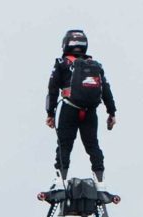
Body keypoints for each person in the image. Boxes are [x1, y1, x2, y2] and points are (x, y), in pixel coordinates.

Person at [45, 29, 116, 191]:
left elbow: (52, 89)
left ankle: (60, 181)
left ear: (66, 44)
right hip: (90, 111)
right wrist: (111, 113)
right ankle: (100, 182)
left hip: (69, 108)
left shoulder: (61, 63)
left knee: (64, 145)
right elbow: (106, 89)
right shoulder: (95, 65)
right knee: (92, 145)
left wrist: (50, 113)